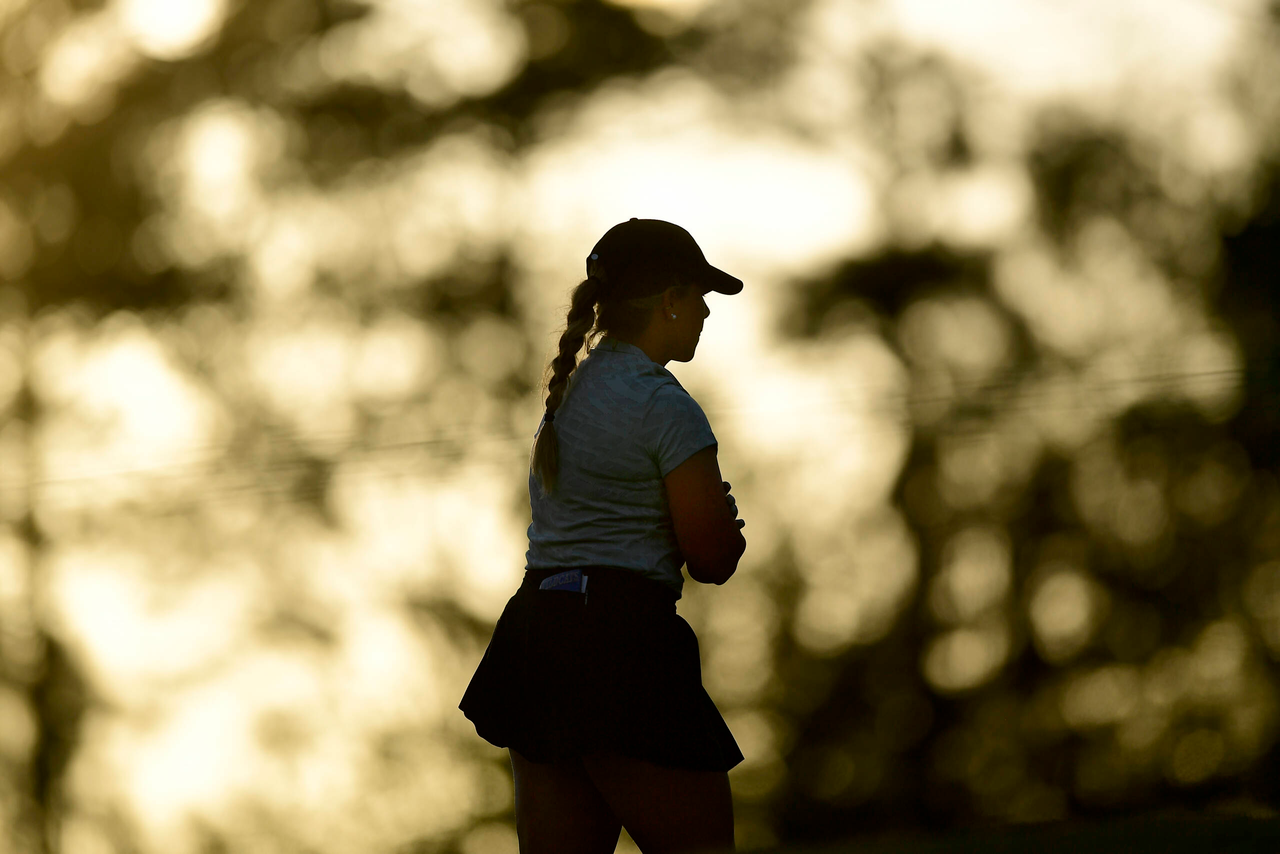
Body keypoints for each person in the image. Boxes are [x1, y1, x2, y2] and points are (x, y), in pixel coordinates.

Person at [460, 218, 748, 853]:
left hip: (539, 637)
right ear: (669, 300)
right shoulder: (665, 405)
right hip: (621, 645)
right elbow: (711, 557)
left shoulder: (569, 394)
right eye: (698, 295)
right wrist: (725, 527)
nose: (705, 311)